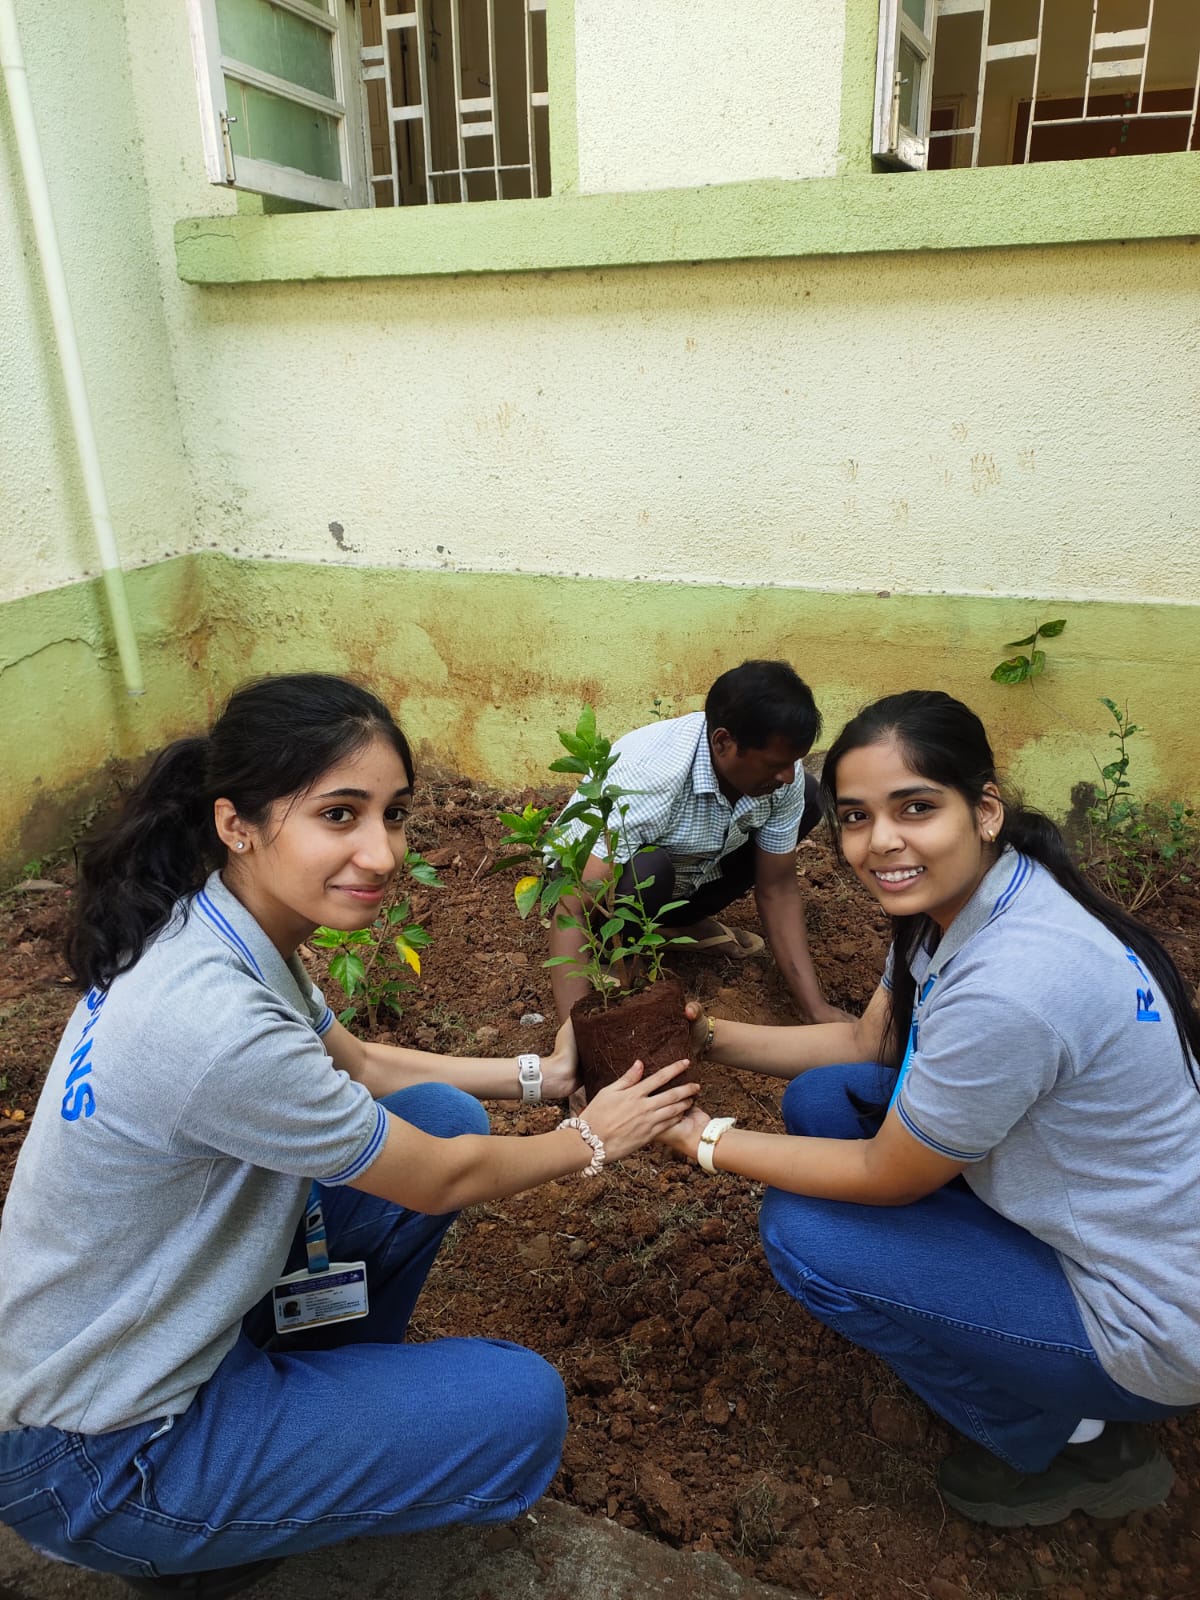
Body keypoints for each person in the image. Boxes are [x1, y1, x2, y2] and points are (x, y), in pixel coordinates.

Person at [0, 673, 696, 1597]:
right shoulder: (215, 1024)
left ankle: (283, 1432)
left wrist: (546, 1078)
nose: (381, 852)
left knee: (441, 1111)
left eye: (393, 815)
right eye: (339, 814)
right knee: (519, 1408)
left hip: (122, 1337)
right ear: (234, 821)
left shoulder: (217, 923)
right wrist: (595, 1138)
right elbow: (438, 1181)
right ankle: (191, 1541)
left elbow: (361, 1066)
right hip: (101, 1456)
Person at [659, 689, 1200, 1527]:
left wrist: (704, 1140)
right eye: (853, 817)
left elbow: (886, 1176)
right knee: (826, 1099)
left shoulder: (1016, 985)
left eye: (915, 807)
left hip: (1145, 1319)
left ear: (985, 809)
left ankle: (1075, 1443)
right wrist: (708, 1039)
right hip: (1105, 1222)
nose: (881, 843)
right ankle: (987, 1318)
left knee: (805, 1238)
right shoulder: (972, 902)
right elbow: (869, 1047)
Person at [548, 660, 847, 1026]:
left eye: (793, 762)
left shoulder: (783, 775)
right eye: (774, 764)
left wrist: (815, 1008)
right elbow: (573, 905)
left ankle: (674, 924)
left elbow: (778, 885)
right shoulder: (651, 776)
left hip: (691, 872)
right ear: (723, 741)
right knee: (649, 867)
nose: (787, 776)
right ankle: (617, 953)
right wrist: (573, 1040)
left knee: (809, 799)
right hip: (602, 890)